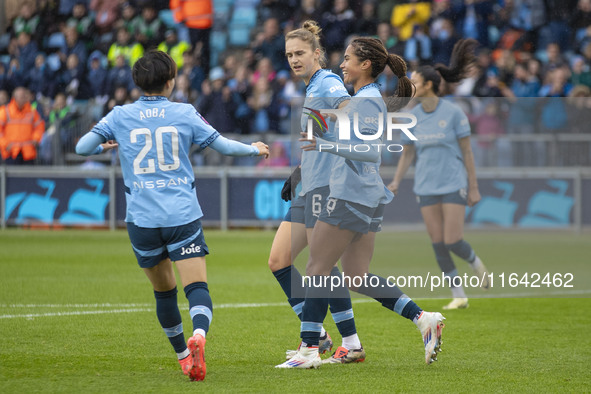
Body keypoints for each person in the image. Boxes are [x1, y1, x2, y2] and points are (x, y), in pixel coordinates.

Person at [75, 50, 269, 381]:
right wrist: (255, 149)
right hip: (182, 215)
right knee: (196, 287)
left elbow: (81, 148)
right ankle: (200, 336)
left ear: (137, 83)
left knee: (164, 292)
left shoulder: (119, 115)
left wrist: (102, 146)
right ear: (171, 81)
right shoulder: (183, 112)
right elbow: (222, 146)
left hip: (143, 220)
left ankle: (183, 357)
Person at [277, 37, 445, 369]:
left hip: (351, 194)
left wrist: (324, 147)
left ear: (365, 65)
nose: (341, 65)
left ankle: (309, 350)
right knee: (355, 276)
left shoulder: (367, 101)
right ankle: (424, 319)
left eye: (348, 59)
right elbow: (338, 132)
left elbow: (369, 152)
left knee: (316, 269)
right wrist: (314, 146)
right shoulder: (362, 100)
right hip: (363, 195)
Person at [270, 20, 365, 365]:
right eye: (289, 55)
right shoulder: (312, 86)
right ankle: (338, 339)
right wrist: (299, 170)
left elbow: (349, 112)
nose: (294, 59)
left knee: (319, 266)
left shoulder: (327, 81)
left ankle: (313, 344)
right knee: (280, 261)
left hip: (324, 189)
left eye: (300, 53)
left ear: (316, 53)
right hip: (309, 185)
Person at [388, 39, 490, 311]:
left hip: (453, 182)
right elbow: (407, 153)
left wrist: (474, 187)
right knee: (437, 244)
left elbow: (468, 153)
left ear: (429, 85)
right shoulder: (413, 116)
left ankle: (475, 262)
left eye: (415, 82)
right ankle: (459, 295)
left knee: (452, 239)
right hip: (425, 186)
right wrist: (396, 182)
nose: (411, 87)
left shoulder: (454, 113)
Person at [0, 87, 45, 165]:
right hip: (12, 152)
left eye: (25, 96)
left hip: (28, 152)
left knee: (28, 176)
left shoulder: (32, 111)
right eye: (22, 96)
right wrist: (5, 144)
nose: (24, 98)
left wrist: (36, 139)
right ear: (15, 98)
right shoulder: (5, 111)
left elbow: (40, 127)